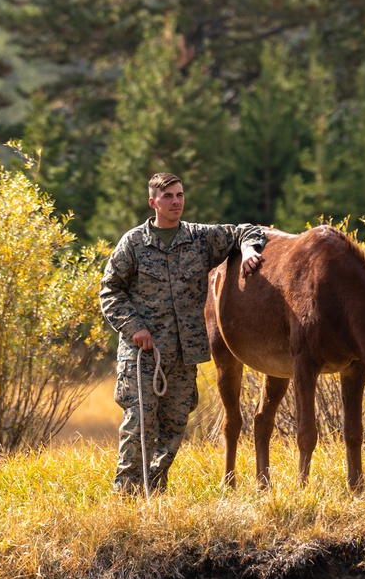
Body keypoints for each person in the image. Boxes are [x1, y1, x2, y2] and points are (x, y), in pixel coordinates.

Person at [99, 172, 267, 493]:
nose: (175, 201)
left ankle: (155, 490)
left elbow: (247, 230)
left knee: (174, 427)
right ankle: (126, 494)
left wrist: (247, 250)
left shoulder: (201, 239)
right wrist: (134, 327)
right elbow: (110, 291)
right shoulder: (133, 243)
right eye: (167, 197)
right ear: (153, 203)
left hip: (183, 355)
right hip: (143, 355)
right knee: (140, 423)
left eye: (179, 195)